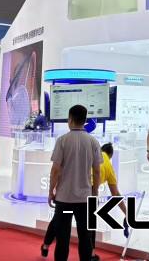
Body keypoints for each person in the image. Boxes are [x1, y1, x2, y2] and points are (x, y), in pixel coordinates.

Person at [41, 142, 128, 259]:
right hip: (88, 194)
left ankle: (46, 246)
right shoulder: (108, 165)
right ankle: (91, 254)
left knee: (58, 221)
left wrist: (55, 190)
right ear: (110, 155)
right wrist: (127, 213)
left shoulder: (90, 155)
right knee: (89, 225)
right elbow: (115, 194)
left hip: (70, 192)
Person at [47, 104, 101, 261]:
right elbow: (97, 171)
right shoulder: (93, 141)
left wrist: (51, 191)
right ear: (85, 120)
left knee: (62, 237)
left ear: (70, 119)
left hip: (64, 200)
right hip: (84, 201)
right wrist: (95, 193)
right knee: (85, 237)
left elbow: (55, 170)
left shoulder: (62, 140)